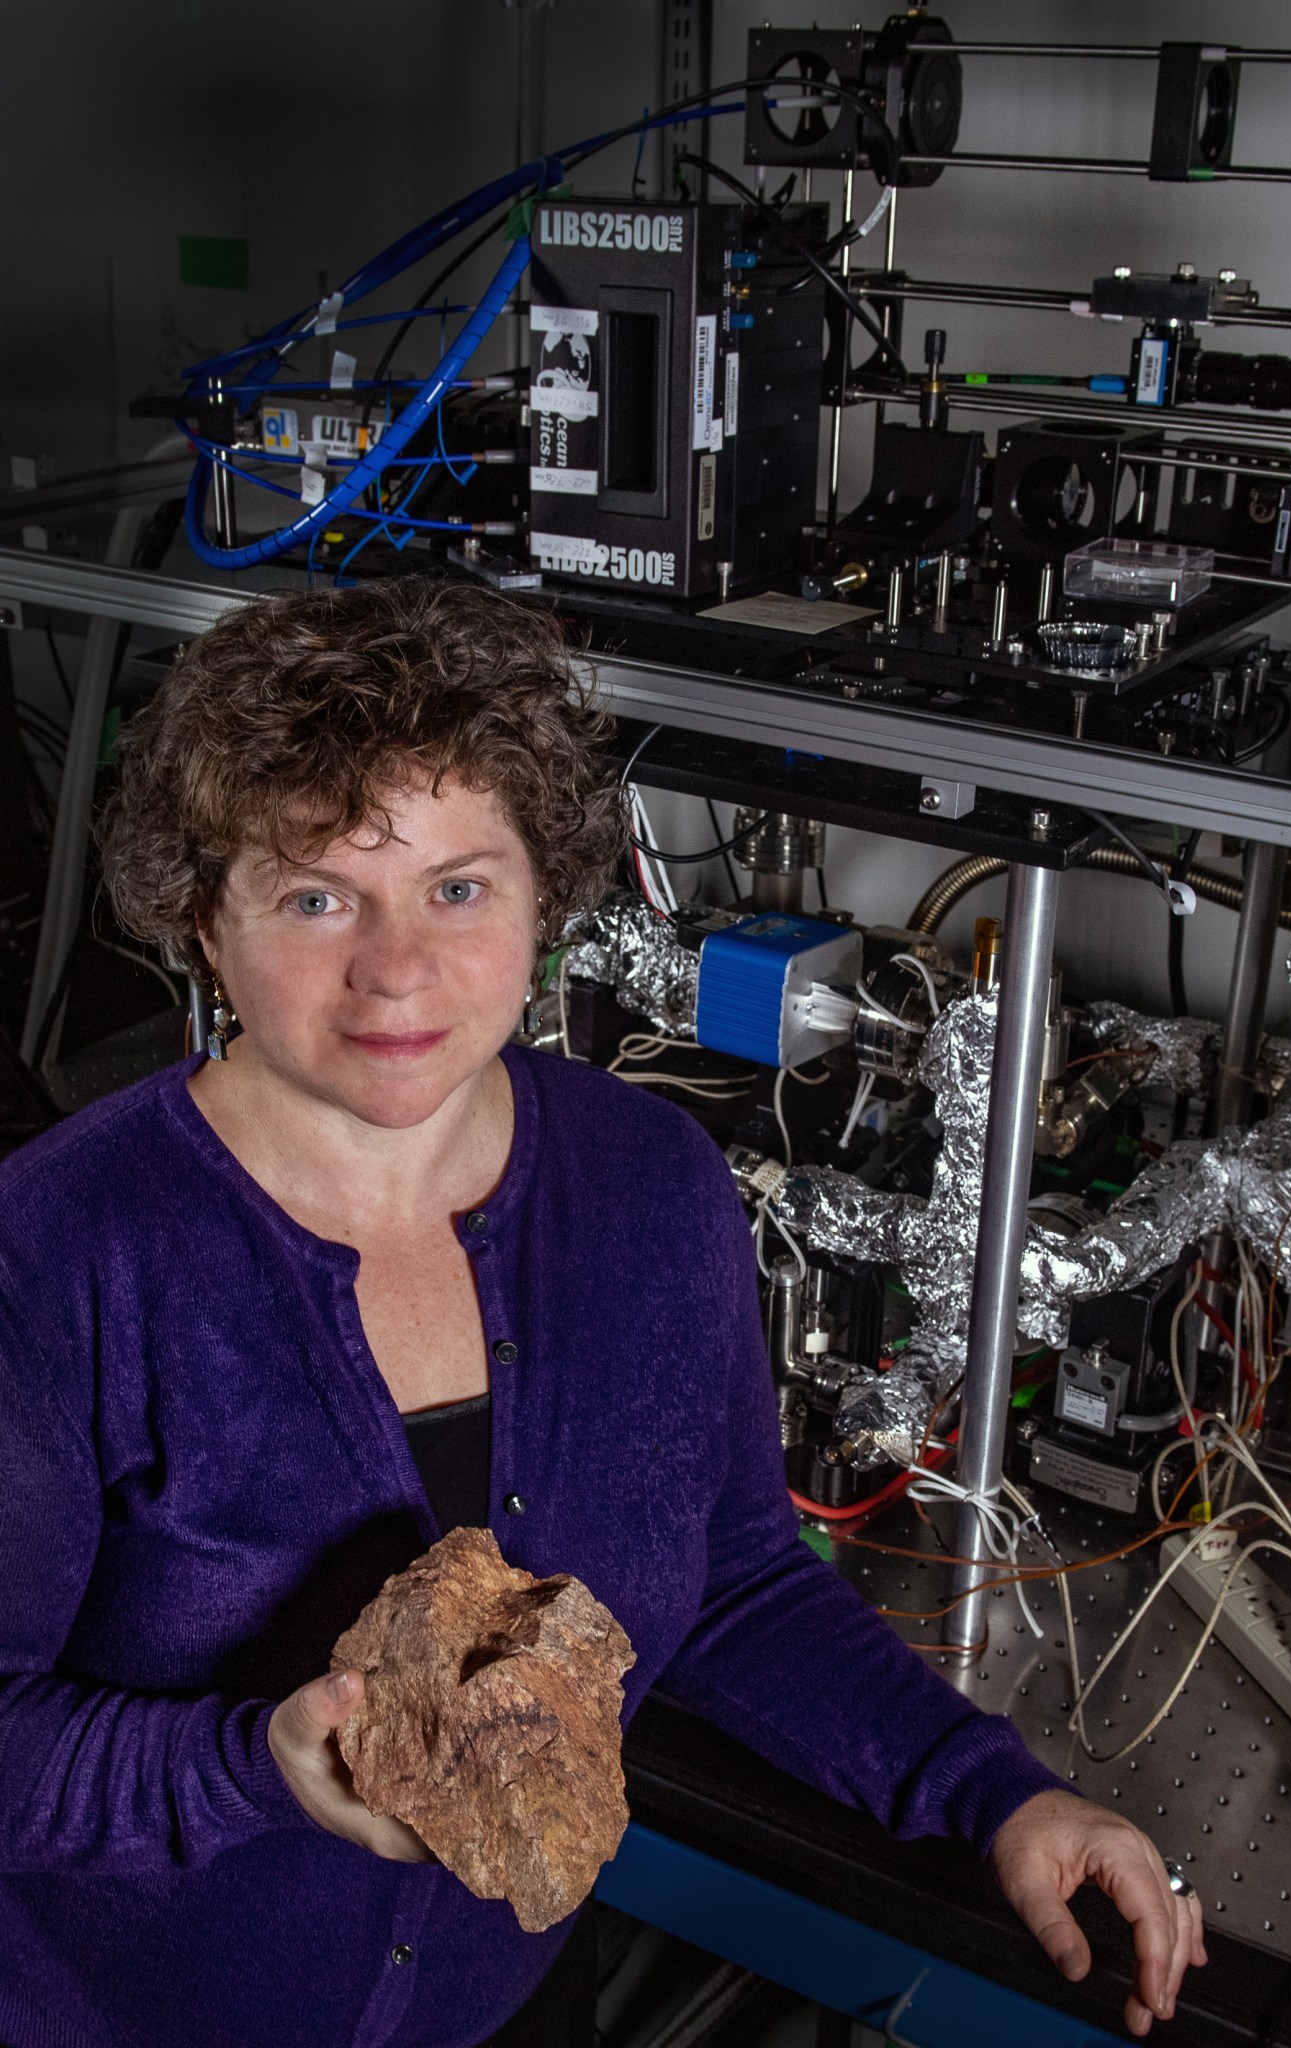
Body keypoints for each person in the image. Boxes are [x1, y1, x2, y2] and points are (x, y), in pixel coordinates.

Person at [0, 577, 1205, 2048]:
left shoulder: (646, 1185)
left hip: (507, 2009)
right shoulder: (57, 1253)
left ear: (542, 896)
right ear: (204, 919)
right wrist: (255, 1766)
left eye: (460, 886)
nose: (397, 968)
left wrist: (996, 1794)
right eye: (317, 894)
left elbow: (737, 1591)